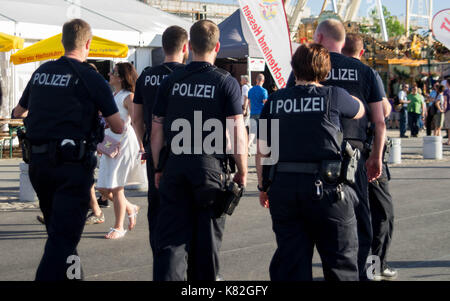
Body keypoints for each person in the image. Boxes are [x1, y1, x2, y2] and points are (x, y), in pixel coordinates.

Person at [12, 19, 124, 280]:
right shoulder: (91, 78)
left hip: (39, 166)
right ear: (88, 44)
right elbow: (118, 127)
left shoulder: (41, 71)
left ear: (62, 42)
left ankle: (74, 277)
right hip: (71, 168)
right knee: (63, 239)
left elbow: (19, 111)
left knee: (60, 233)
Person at [257, 43, 365, 280]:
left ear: (294, 69)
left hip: (284, 189)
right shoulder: (334, 95)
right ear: (325, 72)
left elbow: (263, 151)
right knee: (340, 263)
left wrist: (263, 186)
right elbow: (359, 110)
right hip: (328, 190)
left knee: (291, 263)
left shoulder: (274, 101)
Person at [151, 19, 247, 281]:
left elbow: (157, 128)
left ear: (190, 46)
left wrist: (159, 166)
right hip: (210, 168)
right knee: (207, 241)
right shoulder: (225, 82)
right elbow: (237, 131)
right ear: (217, 46)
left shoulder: (171, 81)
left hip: (175, 165)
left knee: (171, 240)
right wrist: (242, 170)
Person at [306, 20, 386, 281]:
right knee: (359, 224)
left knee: (309, 226)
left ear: (319, 36)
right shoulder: (364, 71)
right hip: (355, 156)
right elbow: (380, 121)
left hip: (314, 156)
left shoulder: (308, 67)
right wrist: (376, 157)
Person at [342, 33, 398, 280]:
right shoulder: (367, 73)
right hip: (366, 153)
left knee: (345, 215)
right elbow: (383, 113)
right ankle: (376, 267)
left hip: (335, 155)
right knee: (382, 214)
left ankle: (350, 267)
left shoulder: (323, 69)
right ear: (361, 52)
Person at [133, 25, 188, 251]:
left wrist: (142, 142)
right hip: (182, 149)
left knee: (156, 204)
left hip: (153, 149)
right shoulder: (186, 76)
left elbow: (136, 118)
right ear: (185, 47)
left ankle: (159, 253)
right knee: (182, 206)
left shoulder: (146, 76)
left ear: (162, 47)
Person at [96, 62, 146, 239]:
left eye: (113, 72)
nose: (109, 74)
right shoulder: (113, 94)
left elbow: (136, 121)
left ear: (121, 77)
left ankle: (118, 227)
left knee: (117, 187)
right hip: (110, 142)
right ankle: (130, 207)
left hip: (124, 143)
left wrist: (142, 147)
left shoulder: (128, 96)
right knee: (102, 187)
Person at [248, 73, 268, 155]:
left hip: (253, 113)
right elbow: (265, 103)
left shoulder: (251, 90)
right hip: (261, 113)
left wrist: (251, 110)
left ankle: (247, 146)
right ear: (263, 81)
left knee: (252, 132)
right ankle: (261, 151)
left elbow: (249, 102)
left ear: (256, 80)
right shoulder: (264, 91)